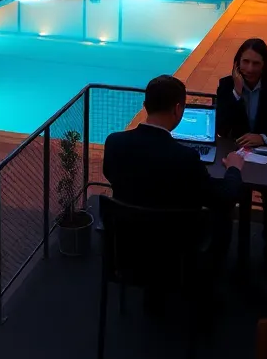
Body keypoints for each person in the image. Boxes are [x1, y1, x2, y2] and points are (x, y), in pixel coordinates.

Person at [103, 75, 245, 265]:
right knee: (222, 216)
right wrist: (234, 168)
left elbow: (110, 174)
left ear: (145, 106)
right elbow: (225, 198)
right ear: (178, 109)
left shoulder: (114, 143)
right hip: (172, 249)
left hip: (126, 242)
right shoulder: (185, 158)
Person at [215, 38, 267, 268]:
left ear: (265, 65)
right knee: (220, 188)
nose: (250, 69)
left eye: (256, 63)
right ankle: (223, 244)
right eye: (245, 62)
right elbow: (222, 127)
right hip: (237, 157)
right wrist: (236, 93)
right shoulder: (226, 86)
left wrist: (263, 137)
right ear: (237, 63)